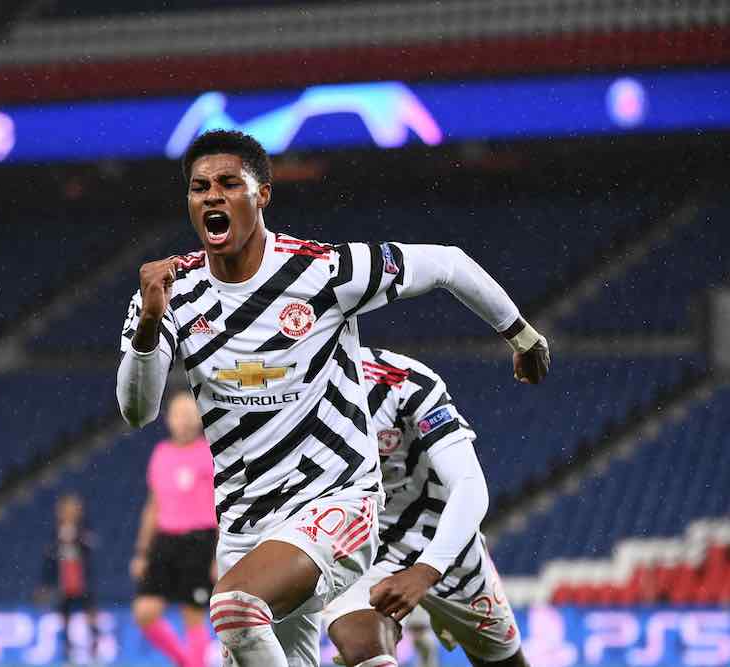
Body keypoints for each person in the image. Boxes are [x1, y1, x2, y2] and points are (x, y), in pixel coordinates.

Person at [116, 129, 549, 667]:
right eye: (200, 187)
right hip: (246, 529)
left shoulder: (322, 271)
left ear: (262, 195)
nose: (213, 196)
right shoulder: (170, 294)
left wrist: (521, 335)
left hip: (338, 505)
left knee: (234, 607)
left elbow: (447, 264)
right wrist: (150, 325)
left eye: (230, 183)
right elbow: (137, 411)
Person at [322, 348, 529, 667]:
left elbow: (470, 485)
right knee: (365, 652)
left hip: (443, 550)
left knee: (505, 663)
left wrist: (425, 571)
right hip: (358, 546)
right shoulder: (279, 390)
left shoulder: (407, 383)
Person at [130, 391, 218, 667]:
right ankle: (187, 662)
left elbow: (223, 505)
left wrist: (219, 553)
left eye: (191, 415)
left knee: (193, 614)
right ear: (168, 418)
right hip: (164, 541)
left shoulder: (211, 453)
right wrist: (142, 552)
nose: (184, 421)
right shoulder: (161, 453)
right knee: (144, 611)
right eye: (179, 414)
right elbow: (153, 504)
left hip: (200, 541)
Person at [40, 494, 99, 664]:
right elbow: (48, 556)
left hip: (83, 581)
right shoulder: (55, 531)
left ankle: (94, 650)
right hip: (63, 582)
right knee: (65, 618)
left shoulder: (84, 528)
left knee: (90, 615)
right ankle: (68, 654)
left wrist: (76, 537)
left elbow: (91, 547)